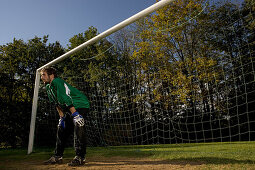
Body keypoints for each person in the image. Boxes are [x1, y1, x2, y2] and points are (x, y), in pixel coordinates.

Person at [40, 66, 90, 166]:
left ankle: (80, 157)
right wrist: (61, 118)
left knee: (78, 125)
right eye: (41, 75)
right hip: (70, 107)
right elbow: (56, 104)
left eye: (44, 75)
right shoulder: (48, 87)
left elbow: (66, 98)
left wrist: (76, 115)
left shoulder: (57, 81)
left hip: (80, 104)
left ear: (52, 75)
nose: (42, 77)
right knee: (61, 129)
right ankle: (57, 156)